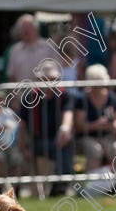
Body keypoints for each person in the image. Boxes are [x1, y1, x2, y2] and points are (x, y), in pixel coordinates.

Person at [19, 59, 74, 198]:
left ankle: (60, 183)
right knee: (53, 148)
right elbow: (21, 125)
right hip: (36, 141)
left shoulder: (63, 95)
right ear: (40, 79)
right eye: (48, 79)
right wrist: (23, 147)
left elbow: (68, 113)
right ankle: (59, 183)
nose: (51, 82)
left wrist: (65, 129)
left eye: (53, 79)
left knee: (65, 143)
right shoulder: (30, 97)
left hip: (58, 139)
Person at [74, 64, 116, 171]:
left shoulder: (112, 98)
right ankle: (92, 186)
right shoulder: (82, 99)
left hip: (106, 137)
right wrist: (97, 125)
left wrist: (114, 125)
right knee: (95, 151)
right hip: (86, 137)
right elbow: (78, 125)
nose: (98, 88)